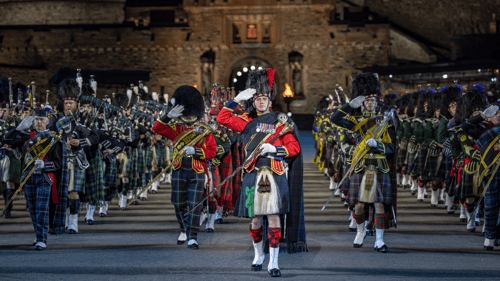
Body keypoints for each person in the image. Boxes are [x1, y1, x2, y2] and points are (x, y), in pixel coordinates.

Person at [217, 68, 306, 277]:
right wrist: (236, 99)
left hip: (274, 173)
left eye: (264, 98)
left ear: (270, 100)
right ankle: (258, 255)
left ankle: (274, 262)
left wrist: (275, 149)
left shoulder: (280, 122)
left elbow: (295, 147)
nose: (260, 102)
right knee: (255, 220)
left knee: (274, 218)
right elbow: (222, 118)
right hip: (253, 173)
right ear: (253, 101)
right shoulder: (246, 121)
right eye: (257, 99)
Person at [330, 72, 396, 253]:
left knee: (379, 204)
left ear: (377, 102)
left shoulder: (385, 122)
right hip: (360, 165)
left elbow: (391, 148)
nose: (370, 103)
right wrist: (349, 104)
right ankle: (360, 231)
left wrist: (378, 144)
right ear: (361, 102)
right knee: (358, 206)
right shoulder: (354, 122)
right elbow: (333, 119)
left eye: (373, 100)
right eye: (367, 100)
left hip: (379, 166)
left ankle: (380, 240)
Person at [152, 85, 216, 250]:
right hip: (179, 169)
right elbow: (156, 128)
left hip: (197, 170)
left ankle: (192, 236)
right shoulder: (176, 129)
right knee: (178, 203)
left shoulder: (204, 131)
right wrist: (168, 116)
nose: (189, 115)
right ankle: (184, 229)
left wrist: (195, 151)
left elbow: (211, 152)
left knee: (195, 204)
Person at [4, 107, 67, 250]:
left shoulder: (53, 138)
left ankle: (41, 239)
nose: (39, 122)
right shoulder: (26, 136)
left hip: (45, 177)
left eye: (41, 119)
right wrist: (19, 128)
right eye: (36, 119)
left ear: (47, 121)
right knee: (32, 210)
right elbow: (6, 139)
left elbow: (57, 163)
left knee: (42, 209)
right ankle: (39, 233)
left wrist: (45, 164)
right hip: (28, 177)